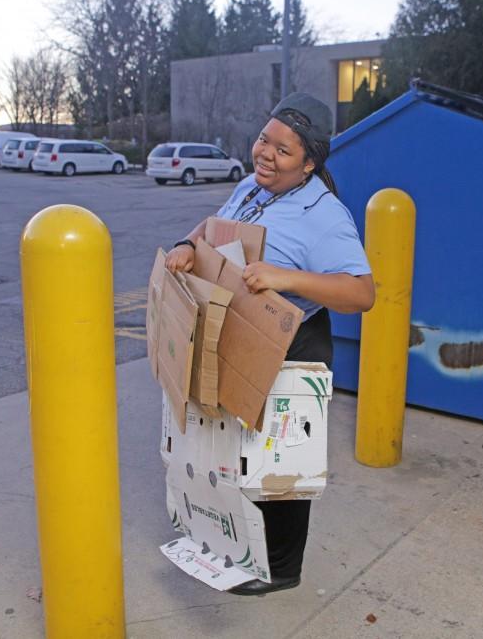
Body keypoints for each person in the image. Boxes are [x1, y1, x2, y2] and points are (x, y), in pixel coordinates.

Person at [165, 92, 375, 595]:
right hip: (239, 336)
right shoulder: (250, 186)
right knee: (235, 453)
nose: (266, 153)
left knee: (276, 464)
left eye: (283, 150)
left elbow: (361, 292)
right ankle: (234, 546)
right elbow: (212, 227)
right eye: (264, 139)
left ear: (307, 165)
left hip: (293, 343)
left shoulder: (323, 213)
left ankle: (281, 569)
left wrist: (287, 277)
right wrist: (187, 246)